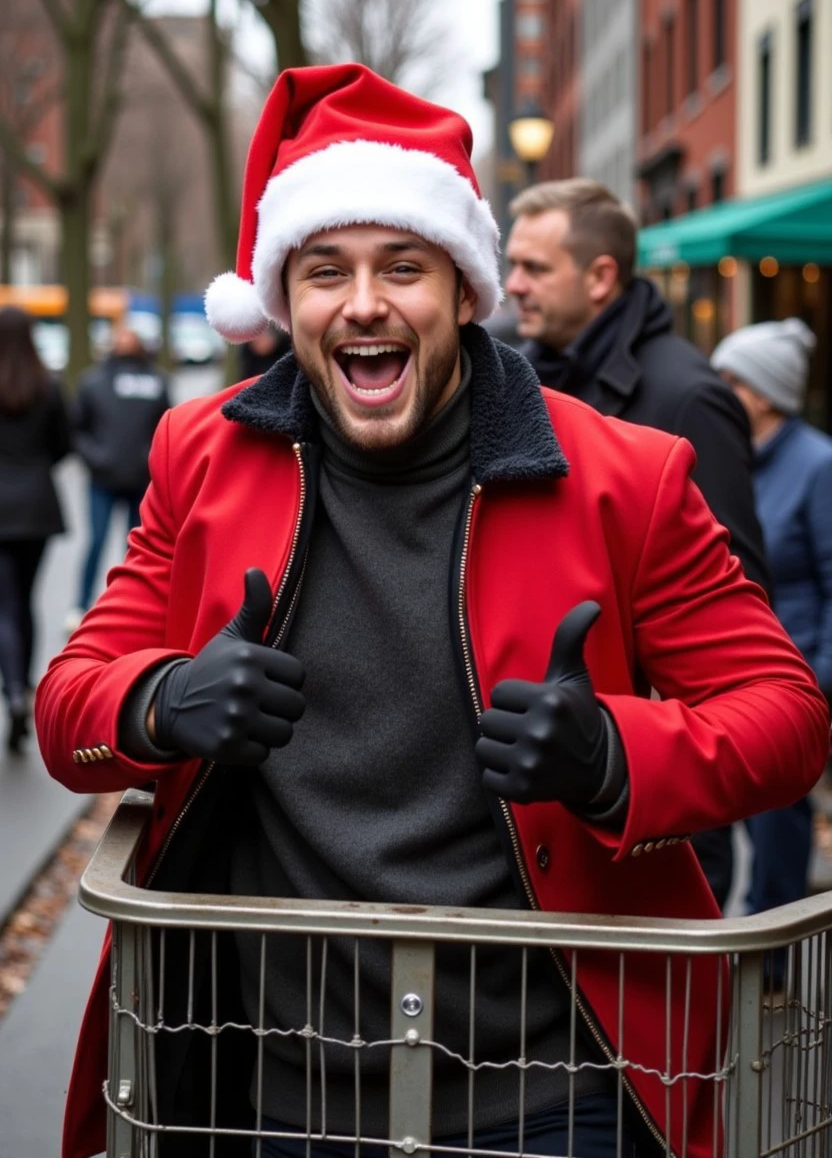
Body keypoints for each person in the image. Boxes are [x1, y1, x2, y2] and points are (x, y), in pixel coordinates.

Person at [36, 66, 828, 1158]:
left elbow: (785, 718)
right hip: (259, 1087)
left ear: (462, 290)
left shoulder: (626, 476)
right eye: (325, 272)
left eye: (401, 266)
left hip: (554, 1098)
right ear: (283, 302)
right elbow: (67, 705)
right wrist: (163, 699)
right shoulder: (200, 454)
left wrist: (611, 751)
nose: (363, 303)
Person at [505, 179, 770, 910]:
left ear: (600, 276)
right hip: (539, 765)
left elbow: (734, 587)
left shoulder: (687, 396)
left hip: (651, 777)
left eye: (534, 268)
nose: (513, 285)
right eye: (512, 265)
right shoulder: (519, 376)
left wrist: (631, 747)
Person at [712, 318, 832, 932]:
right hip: (738, 678)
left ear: (761, 393)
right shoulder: (741, 459)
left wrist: (819, 678)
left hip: (799, 676)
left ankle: (776, 958)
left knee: (778, 824)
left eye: (727, 378)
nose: (715, 388)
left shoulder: (817, 466)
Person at [65, 325, 169, 630]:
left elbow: (166, 424)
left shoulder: (155, 381)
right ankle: (80, 604)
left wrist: (150, 461)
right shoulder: (92, 382)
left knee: (138, 548)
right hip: (103, 481)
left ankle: (132, 610)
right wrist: (95, 459)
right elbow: (76, 428)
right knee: (96, 543)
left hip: (141, 482)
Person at [0, 306, 70, 751]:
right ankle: (23, 685)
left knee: (3, 605)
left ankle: (11, 693)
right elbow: (63, 446)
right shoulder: (49, 385)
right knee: (24, 601)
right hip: (37, 505)